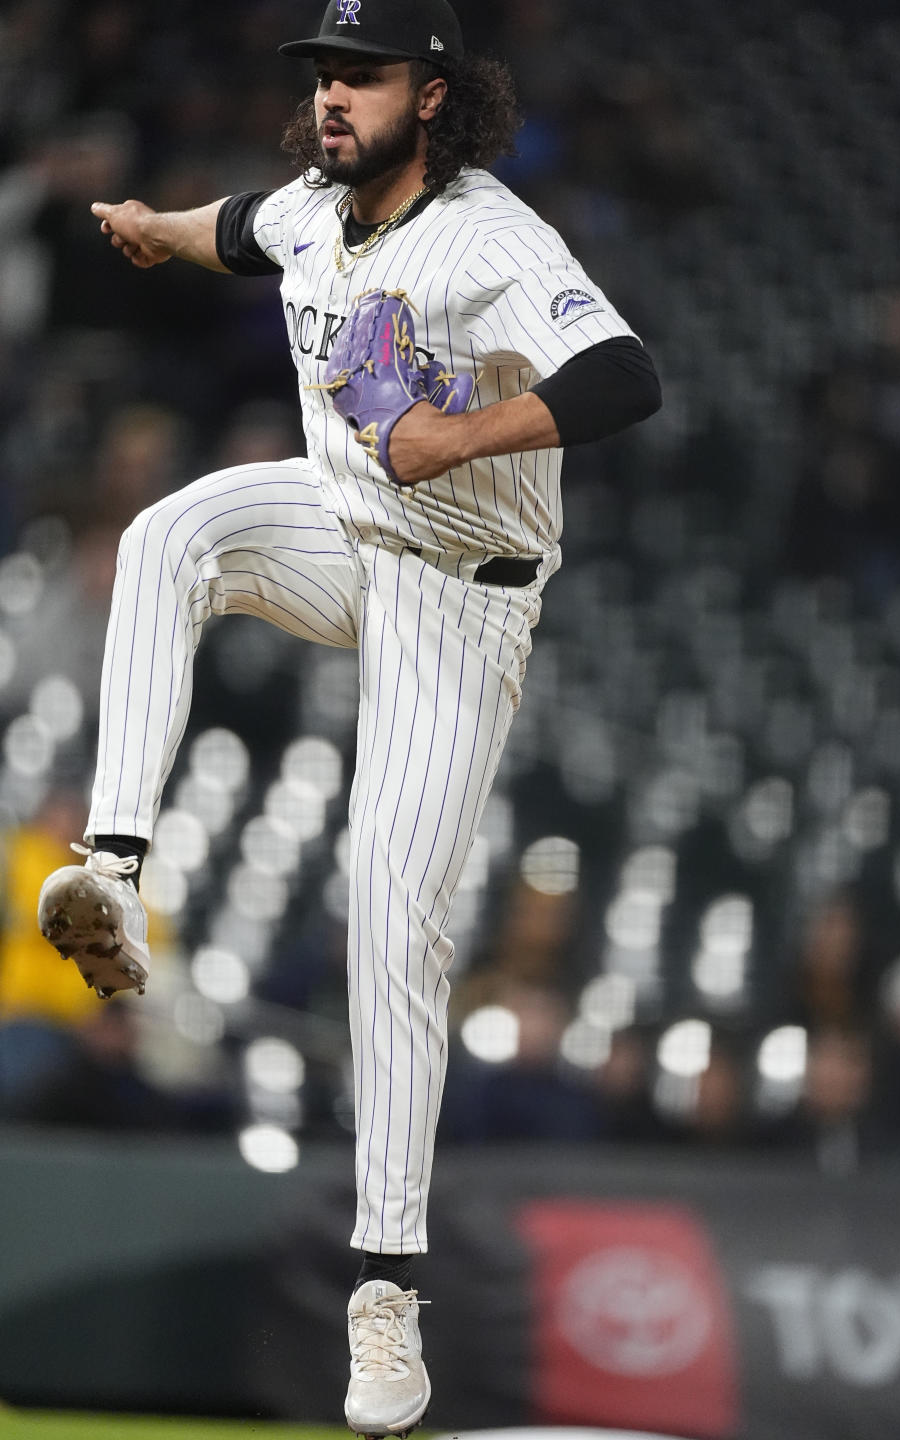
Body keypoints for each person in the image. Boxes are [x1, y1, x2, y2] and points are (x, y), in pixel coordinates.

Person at [36, 0, 661, 1432]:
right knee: (169, 534)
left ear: (432, 96)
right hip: (348, 528)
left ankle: (386, 1299)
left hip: (463, 584)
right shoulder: (318, 206)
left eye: (360, 77)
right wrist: (150, 224)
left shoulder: (493, 239)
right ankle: (120, 877)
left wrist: (459, 431)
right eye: (321, 73)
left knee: (392, 907)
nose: (332, 97)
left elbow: (628, 373)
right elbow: (240, 227)